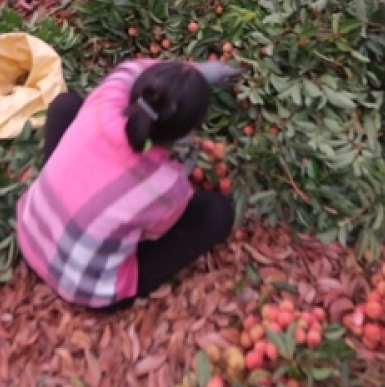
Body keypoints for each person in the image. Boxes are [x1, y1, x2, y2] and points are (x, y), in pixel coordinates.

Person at [17, 59, 239, 310]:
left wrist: (193, 70)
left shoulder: (104, 103)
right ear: (186, 132)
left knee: (65, 105)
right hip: (86, 288)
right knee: (216, 213)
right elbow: (154, 234)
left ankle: (63, 193)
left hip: (29, 230)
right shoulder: (167, 184)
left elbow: (130, 68)